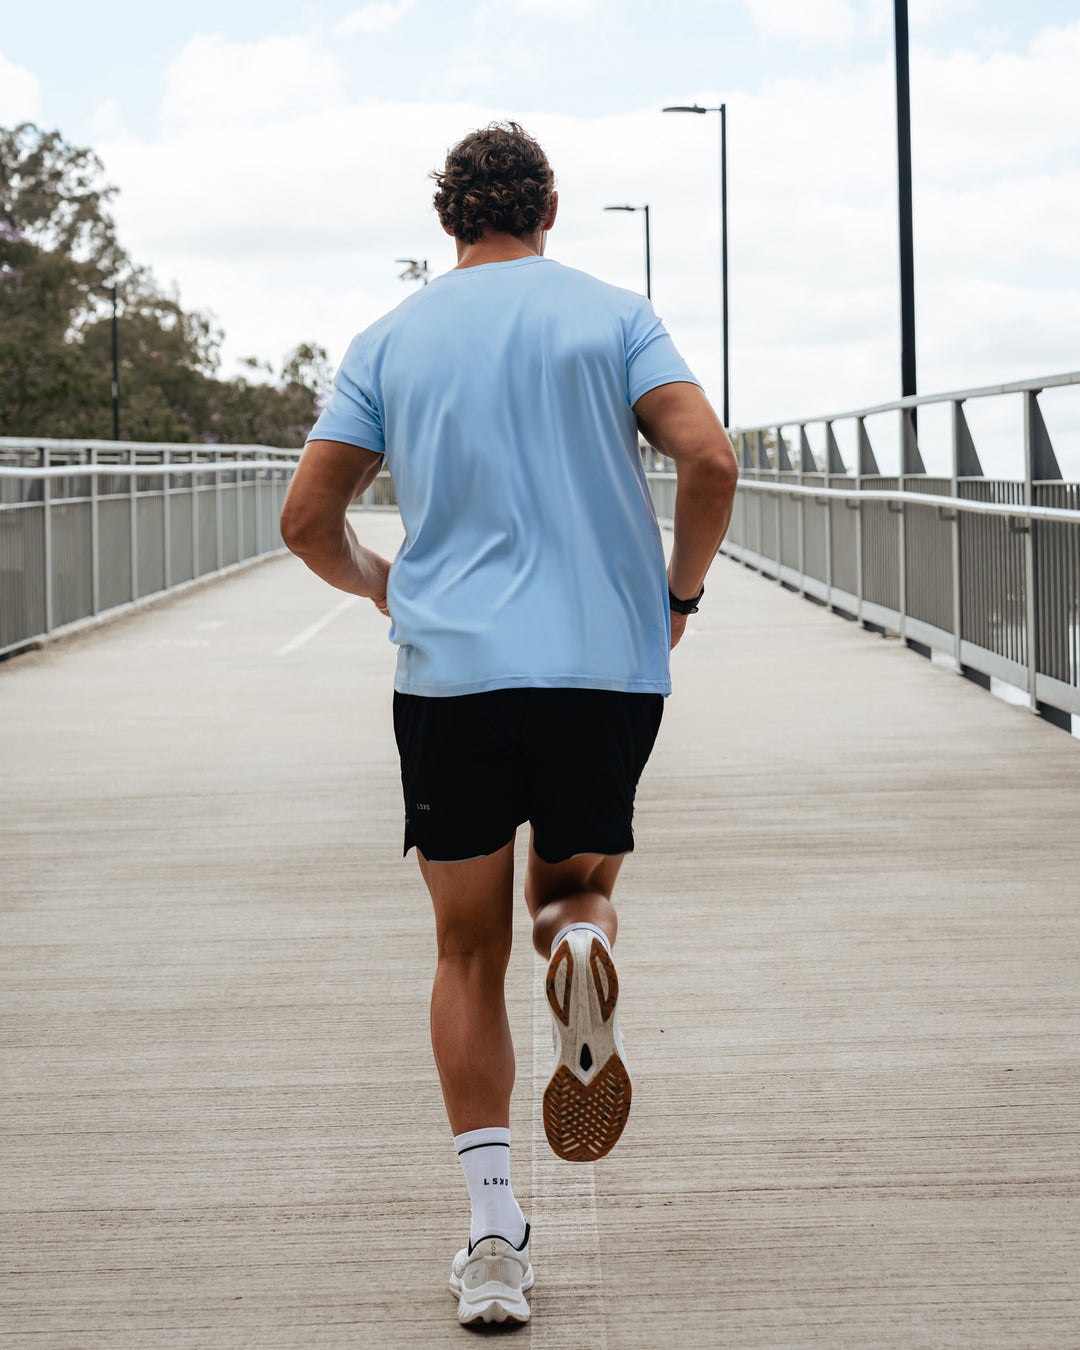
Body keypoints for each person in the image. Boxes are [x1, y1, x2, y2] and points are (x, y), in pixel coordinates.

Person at [280, 121, 737, 1326]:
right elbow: (710, 462)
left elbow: (305, 520)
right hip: (604, 667)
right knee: (571, 888)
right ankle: (582, 945)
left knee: (465, 948)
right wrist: (675, 594)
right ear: (548, 210)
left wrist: (384, 584)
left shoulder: (392, 338)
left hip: (453, 677)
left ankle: (493, 1240)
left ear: (449, 222)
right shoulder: (614, 315)